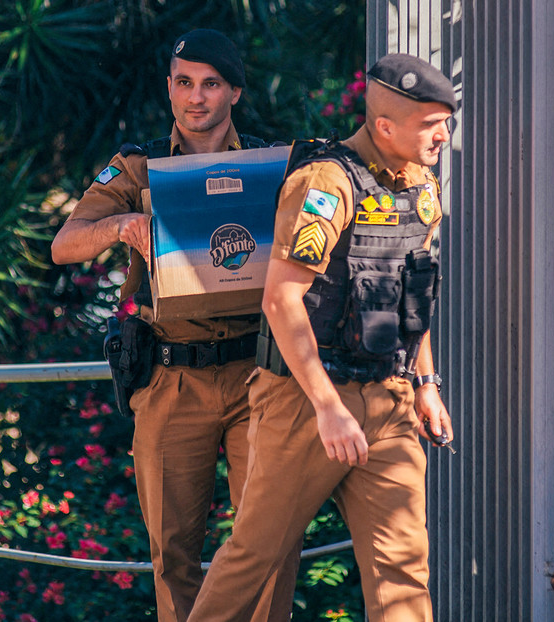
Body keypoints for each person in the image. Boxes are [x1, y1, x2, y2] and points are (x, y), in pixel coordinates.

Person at [185, 53, 456, 622]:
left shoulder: (420, 185)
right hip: (307, 402)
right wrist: (328, 408)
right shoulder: (325, 183)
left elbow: (415, 292)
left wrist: (426, 381)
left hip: (390, 399)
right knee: (256, 558)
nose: (443, 135)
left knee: (404, 573)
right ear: (385, 127)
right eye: (432, 124)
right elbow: (281, 299)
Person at [50, 28, 299, 622]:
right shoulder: (139, 167)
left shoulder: (270, 165)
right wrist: (121, 226)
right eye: (184, 83)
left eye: (211, 84)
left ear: (234, 92)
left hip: (255, 376)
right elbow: (64, 245)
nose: (196, 98)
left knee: (271, 543)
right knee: (173, 555)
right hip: (170, 379)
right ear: (169, 88)